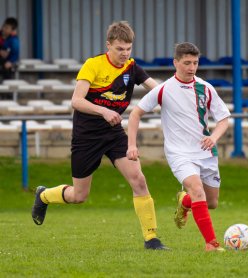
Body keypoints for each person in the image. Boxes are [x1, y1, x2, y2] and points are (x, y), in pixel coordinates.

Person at [31, 21, 169, 250]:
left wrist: (177, 99)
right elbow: (76, 101)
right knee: (79, 195)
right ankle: (44, 195)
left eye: (128, 49)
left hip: (114, 134)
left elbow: (157, 90)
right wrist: (103, 110)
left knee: (139, 179)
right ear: (108, 45)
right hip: (86, 136)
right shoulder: (92, 65)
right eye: (119, 49)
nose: (125, 54)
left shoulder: (132, 68)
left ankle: (151, 239)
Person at [127, 42, 230, 252]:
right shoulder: (163, 89)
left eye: (195, 63)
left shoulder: (205, 88)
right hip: (179, 153)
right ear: (176, 63)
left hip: (206, 152)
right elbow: (136, 113)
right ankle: (211, 244)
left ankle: (185, 201)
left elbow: (224, 119)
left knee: (211, 203)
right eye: (186, 63)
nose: (191, 67)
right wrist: (131, 145)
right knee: (197, 189)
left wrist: (215, 138)